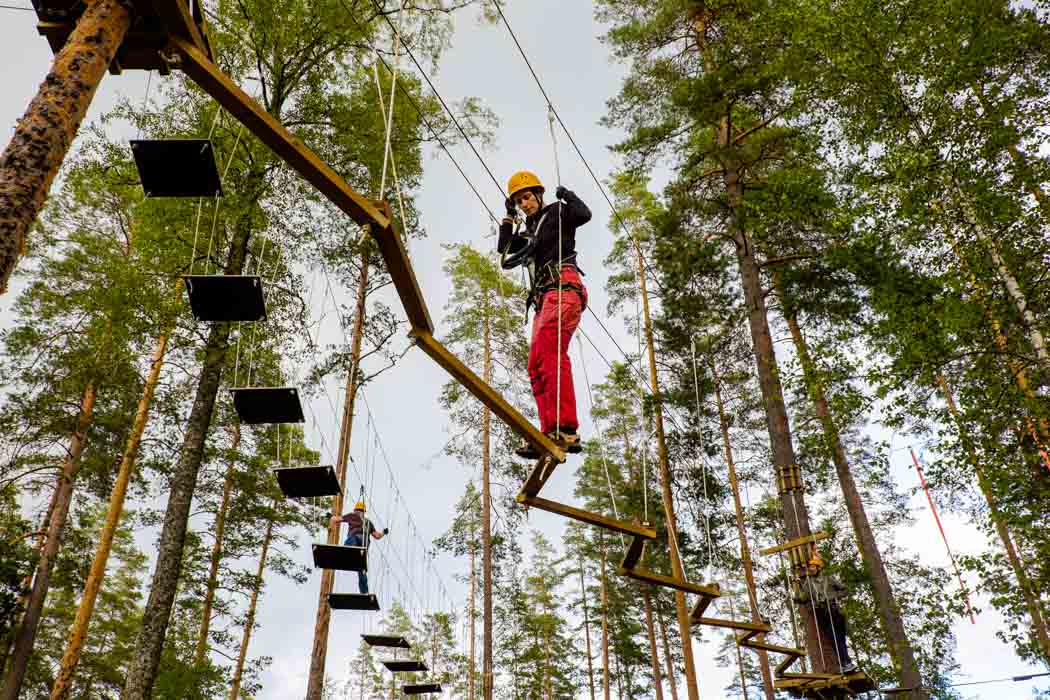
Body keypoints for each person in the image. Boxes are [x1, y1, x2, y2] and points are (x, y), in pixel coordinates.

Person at [497, 170, 591, 459]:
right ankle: (550, 429)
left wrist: (568, 195)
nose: (525, 204)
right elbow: (504, 251)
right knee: (536, 365)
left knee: (551, 352)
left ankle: (566, 428)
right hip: (544, 299)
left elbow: (583, 214)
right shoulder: (528, 232)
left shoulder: (557, 213)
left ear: (538, 194)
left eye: (526, 197)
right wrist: (508, 219)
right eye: (519, 201)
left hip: (563, 287)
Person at [794, 549, 859, 675]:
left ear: (819, 568)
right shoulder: (808, 584)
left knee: (839, 638)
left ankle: (847, 663)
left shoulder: (829, 579)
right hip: (821, 613)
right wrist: (796, 588)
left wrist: (833, 595)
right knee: (833, 639)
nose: (811, 569)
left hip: (833, 610)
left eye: (813, 566)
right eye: (810, 567)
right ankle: (844, 663)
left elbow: (845, 590)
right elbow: (802, 599)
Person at [330, 500, 387, 594]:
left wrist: (331, 517)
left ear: (355, 510)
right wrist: (384, 533)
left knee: (349, 545)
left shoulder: (352, 515)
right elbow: (377, 536)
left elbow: (335, 520)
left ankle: (344, 554)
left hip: (355, 539)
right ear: (364, 511)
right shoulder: (368, 522)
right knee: (361, 569)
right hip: (364, 546)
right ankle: (364, 592)